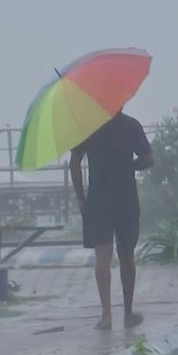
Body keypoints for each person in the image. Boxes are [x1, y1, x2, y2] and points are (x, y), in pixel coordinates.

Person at [69, 111, 154, 330]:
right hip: (126, 198)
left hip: (97, 200)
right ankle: (127, 313)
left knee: (102, 257)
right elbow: (148, 159)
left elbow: (75, 162)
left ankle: (106, 315)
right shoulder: (131, 125)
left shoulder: (87, 125)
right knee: (127, 256)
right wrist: (129, 166)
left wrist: (80, 197)